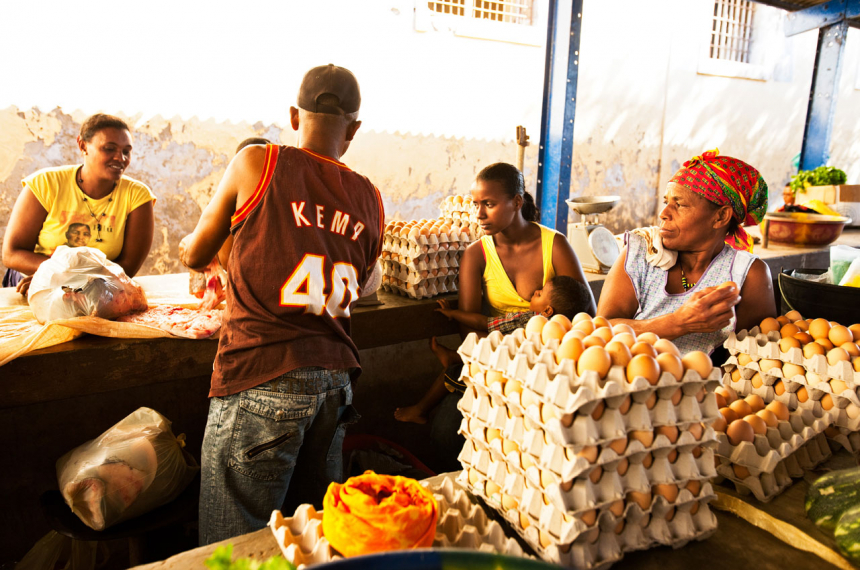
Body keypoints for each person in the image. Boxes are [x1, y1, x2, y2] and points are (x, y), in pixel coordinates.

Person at [179, 64, 384, 545]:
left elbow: (194, 254)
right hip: (334, 386)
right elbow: (363, 282)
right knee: (311, 541)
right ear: (354, 130)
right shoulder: (371, 198)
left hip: (262, 374)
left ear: (294, 116)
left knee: (237, 547)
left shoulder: (258, 162)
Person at [396, 162, 594, 469]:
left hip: (549, 362)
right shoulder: (477, 254)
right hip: (493, 359)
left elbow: (585, 315)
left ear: (516, 202)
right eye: (476, 205)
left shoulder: (554, 245)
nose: (479, 214)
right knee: (446, 434)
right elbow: (470, 332)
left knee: (544, 438)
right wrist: (502, 360)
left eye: (488, 204)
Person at [597, 149, 776, 356]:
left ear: (721, 216)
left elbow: (753, 361)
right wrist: (677, 323)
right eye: (666, 202)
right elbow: (602, 329)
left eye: (679, 204)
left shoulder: (747, 275)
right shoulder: (643, 252)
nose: (663, 214)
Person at [2, 113, 155, 292]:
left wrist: (69, 279)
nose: (120, 158)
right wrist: (53, 277)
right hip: (34, 281)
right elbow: (12, 254)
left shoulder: (137, 196)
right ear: (83, 146)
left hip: (98, 289)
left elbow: (127, 267)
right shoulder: (45, 184)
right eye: (109, 149)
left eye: (126, 151)